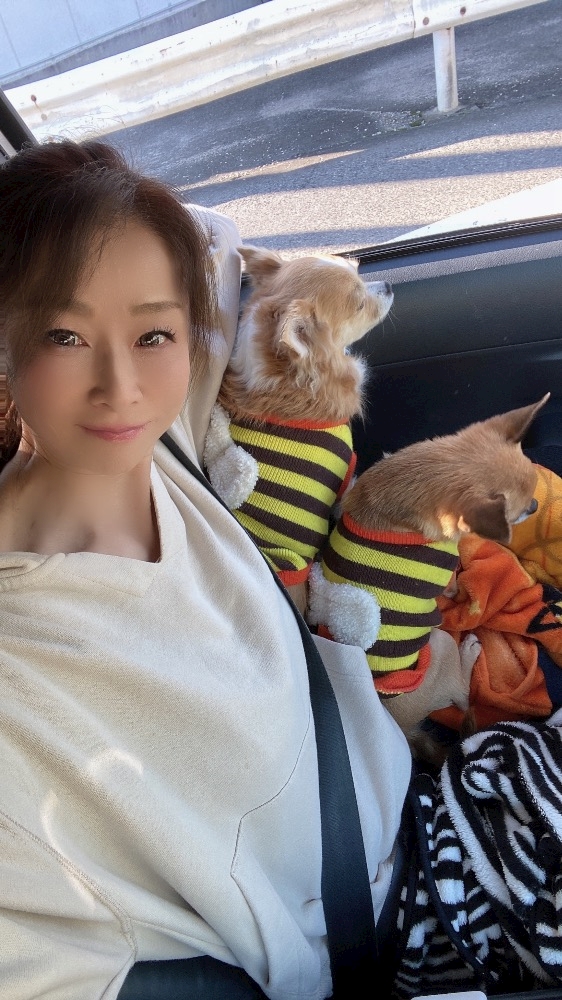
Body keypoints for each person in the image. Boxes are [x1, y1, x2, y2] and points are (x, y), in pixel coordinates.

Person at [0, 139, 561, 1000]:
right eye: (64, 334)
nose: (122, 386)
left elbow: (210, 241)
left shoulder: (170, 445)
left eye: (153, 332)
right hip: (409, 936)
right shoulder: (24, 673)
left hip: (437, 784)